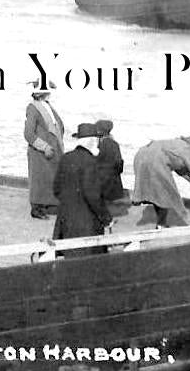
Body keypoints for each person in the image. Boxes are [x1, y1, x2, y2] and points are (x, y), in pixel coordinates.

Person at [52, 123, 110, 258]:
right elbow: (93, 196)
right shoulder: (91, 162)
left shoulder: (66, 158)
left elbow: (56, 189)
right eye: (97, 140)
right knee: (88, 263)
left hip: (66, 219)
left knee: (69, 258)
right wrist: (106, 218)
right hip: (87, 224)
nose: (98, 144)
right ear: (91, 141)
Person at [132, 133, 190, 228]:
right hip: (156, 161)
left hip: (141, 155)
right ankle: (182, 221)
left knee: (152, 191)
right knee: (169, 193)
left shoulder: (177, 144)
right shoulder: (187, 149)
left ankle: (149, 215)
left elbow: (178, 164)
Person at [23, 80, 64, 219]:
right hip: (40, 152)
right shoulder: (32, 108)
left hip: (53, 150)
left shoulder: (47, 105)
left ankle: (49, 206)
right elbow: (28, 134)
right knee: (39, 179)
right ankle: (36, 209)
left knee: (50, 178)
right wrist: (44, 146)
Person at [94, 119, 125, 203]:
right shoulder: (114, 144)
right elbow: (119, 165)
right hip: (114, 186)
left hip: (103, 186)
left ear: (100, 131)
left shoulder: (101, 144)